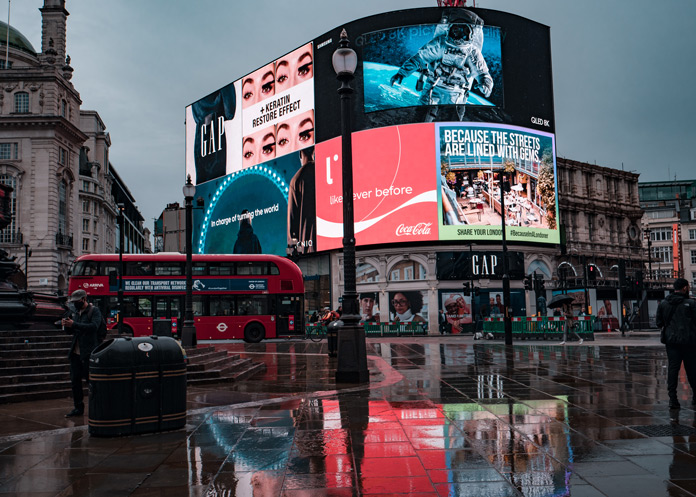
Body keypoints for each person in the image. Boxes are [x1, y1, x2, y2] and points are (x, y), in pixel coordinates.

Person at [389, 9, 493, 122]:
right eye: (456, 30)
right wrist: (402, 73)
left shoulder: (472, 52)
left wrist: (485, 86)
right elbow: (419, 59)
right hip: (434, 89)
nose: (459, 35)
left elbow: (483, 74)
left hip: (457, 94)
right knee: (421, 122)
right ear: (450, 29)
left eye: (464, 31)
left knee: (451, 131)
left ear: (470, 34)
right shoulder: (440, 44)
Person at [656, 278, 696, 410]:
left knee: (673, 369)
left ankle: (673, 399)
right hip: (688, 341)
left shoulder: (663, 304)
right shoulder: (690, 303)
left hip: (671, 341)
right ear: (684, 288)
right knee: (691, 369)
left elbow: (659, 323)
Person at [61, 289, 102, 417]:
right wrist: (67, 326)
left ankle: (97, 406)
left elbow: (94, 327)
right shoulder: (75, 312)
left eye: (77, 302)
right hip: (75, 353)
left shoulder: (94, 311)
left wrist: (74, 324)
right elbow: (73, 331)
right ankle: (78, 408)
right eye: (73, 302)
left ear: (84, 299)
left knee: (92, 381)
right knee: (75, 382)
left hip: (88, 352)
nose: (75, 304)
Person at [287, 146, 316, 254]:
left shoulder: (296, 180)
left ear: (300, 154)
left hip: (306, 249)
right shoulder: (322, 171)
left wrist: (292, 252)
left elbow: (292, 222)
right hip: (326, 241)